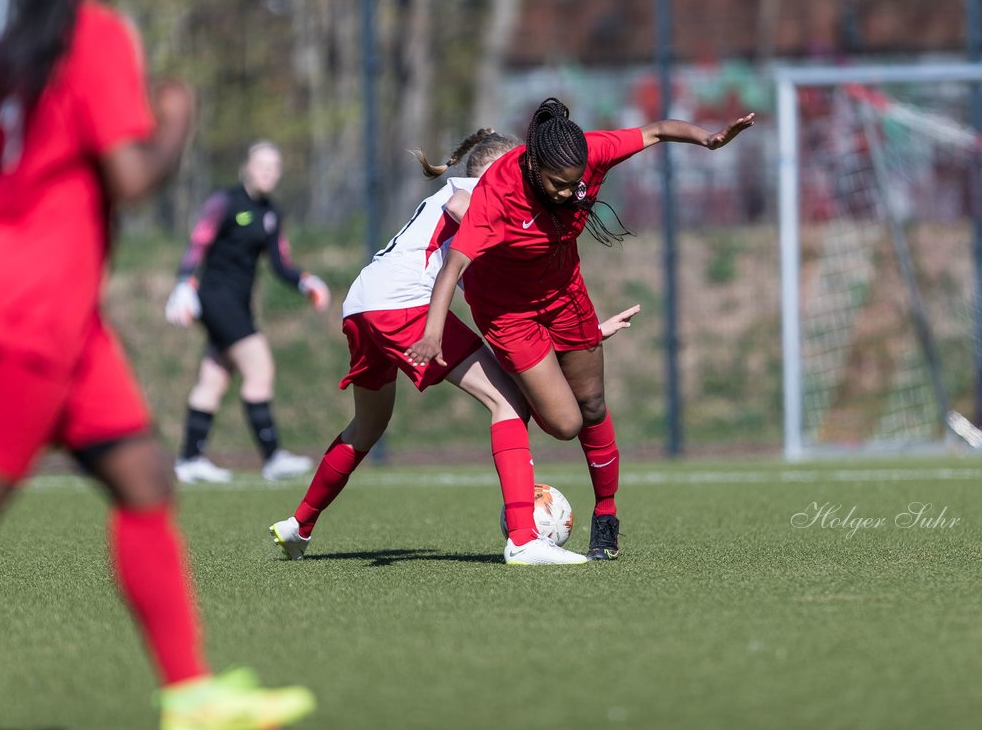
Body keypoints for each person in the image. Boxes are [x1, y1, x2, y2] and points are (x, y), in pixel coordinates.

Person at [0, 0, 314, 727]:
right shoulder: (95, 36)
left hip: (54, 309)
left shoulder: (9, 53)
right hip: (31, 307)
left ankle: (191, 693)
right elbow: (132, 177)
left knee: (142, 477)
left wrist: (25, 154)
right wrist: (174, 118)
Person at [269, 128, 639, 565]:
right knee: (508, 404)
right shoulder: (476, 195)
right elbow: (461, 208)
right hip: (404, 306)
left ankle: (298, 526)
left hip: (362, 305)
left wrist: (584, 329)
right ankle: (523, 539)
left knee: (366, 426)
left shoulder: (466, 198)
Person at [407, 98, 754, 560]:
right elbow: (453, 267)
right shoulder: (499, 196)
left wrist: (708, 140)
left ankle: (606, 515)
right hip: (509, 313)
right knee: (564, 423)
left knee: (592, 405)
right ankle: (519, 394)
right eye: (559, 185)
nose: (572, 194)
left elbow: (654, 130)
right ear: (533, 166)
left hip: (565, 293)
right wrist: (432, 334)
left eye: (577, 184)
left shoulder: (586, 153)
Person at [164, 142, 330, 483]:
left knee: (214, 377)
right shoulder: (225, 202)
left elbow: (280, 262)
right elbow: (199, 242)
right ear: (247, 167)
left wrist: (305, 281)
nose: (269, 172)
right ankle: (272, 458)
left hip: (237, 303)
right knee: (260, 368)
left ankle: (189, 459)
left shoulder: (271, 213)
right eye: (262, 165)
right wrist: (183, 283)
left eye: (275, 167)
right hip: (214, 298)